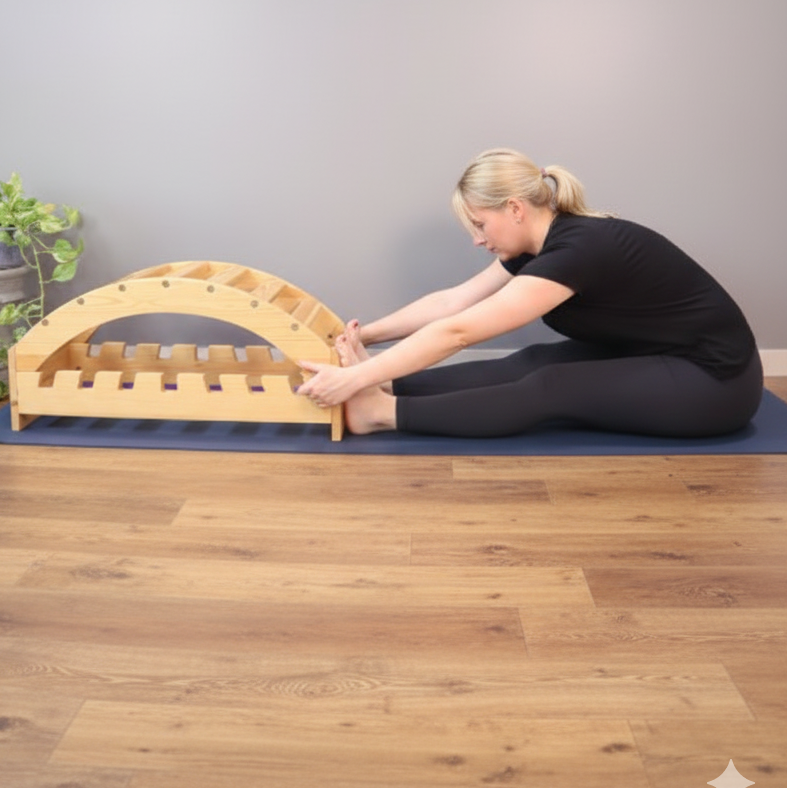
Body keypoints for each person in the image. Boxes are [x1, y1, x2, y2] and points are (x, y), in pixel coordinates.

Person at [298, 148, 762, 438]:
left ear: (515, 209)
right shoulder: (539, 245)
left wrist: (352, 381)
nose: (477, 239)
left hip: (716, 382)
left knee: (550, 387)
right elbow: (452, 302)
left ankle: (379, 413)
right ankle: (388, 388)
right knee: (535, 361)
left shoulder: (578, 250)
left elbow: (458, 331)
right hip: (656, 353)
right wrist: (366, 339)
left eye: (480, 224)